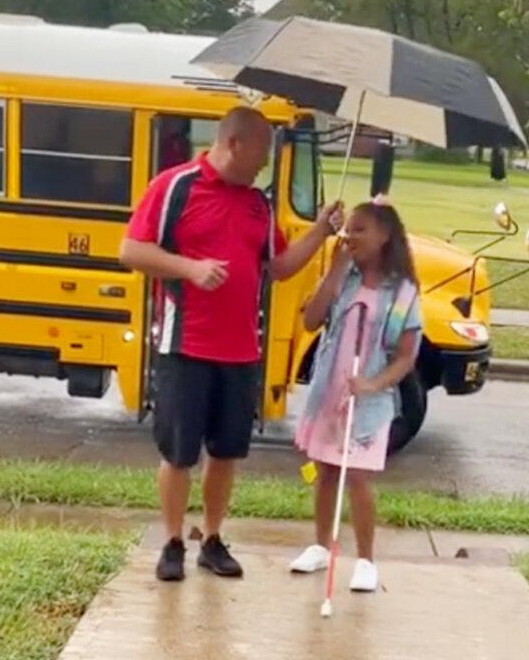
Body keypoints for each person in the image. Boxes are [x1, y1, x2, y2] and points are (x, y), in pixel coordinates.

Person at [119, 106, 343, 582]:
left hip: (241, 351)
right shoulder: (176, 187)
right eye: (263, 150)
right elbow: (131, 251)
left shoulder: (258, 207)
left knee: (226, 453)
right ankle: (173, 541)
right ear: (235, 143)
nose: (266, 162)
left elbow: (279, 267)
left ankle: (213, 539)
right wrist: (190, 269)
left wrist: (322, 230)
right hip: (185, 346)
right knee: (179, 453)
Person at [289, 198, 421, 592]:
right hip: (329, 393)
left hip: (369, 402)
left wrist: (373, 384)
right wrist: (332, 272)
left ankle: (366, 559)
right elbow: (312, 319)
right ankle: (320, 545)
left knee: (358, 476)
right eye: (348, 228)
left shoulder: (401, 293)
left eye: (360, 229)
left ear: (384, 236)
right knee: (326, 472)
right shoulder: (343, 280)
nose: (350, 235)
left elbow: (405, 357)